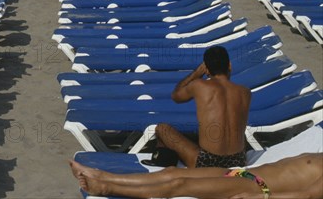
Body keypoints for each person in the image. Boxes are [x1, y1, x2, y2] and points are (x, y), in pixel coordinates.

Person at [154, 46, 251, 168]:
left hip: (208, 162)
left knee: (162, 129)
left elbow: (176, 96)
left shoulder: (199, 85)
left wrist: (196, 73)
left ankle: (164, 167)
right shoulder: (245, 92)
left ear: (207, 71)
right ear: (229, 66)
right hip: (238, 161)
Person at [69, 153, 323, 199]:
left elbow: (308, 195)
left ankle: (106, 188)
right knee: (172, 172)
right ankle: (102, 174)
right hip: (245, 173)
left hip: (258, 186)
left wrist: (262, 198)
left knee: (180, 184)